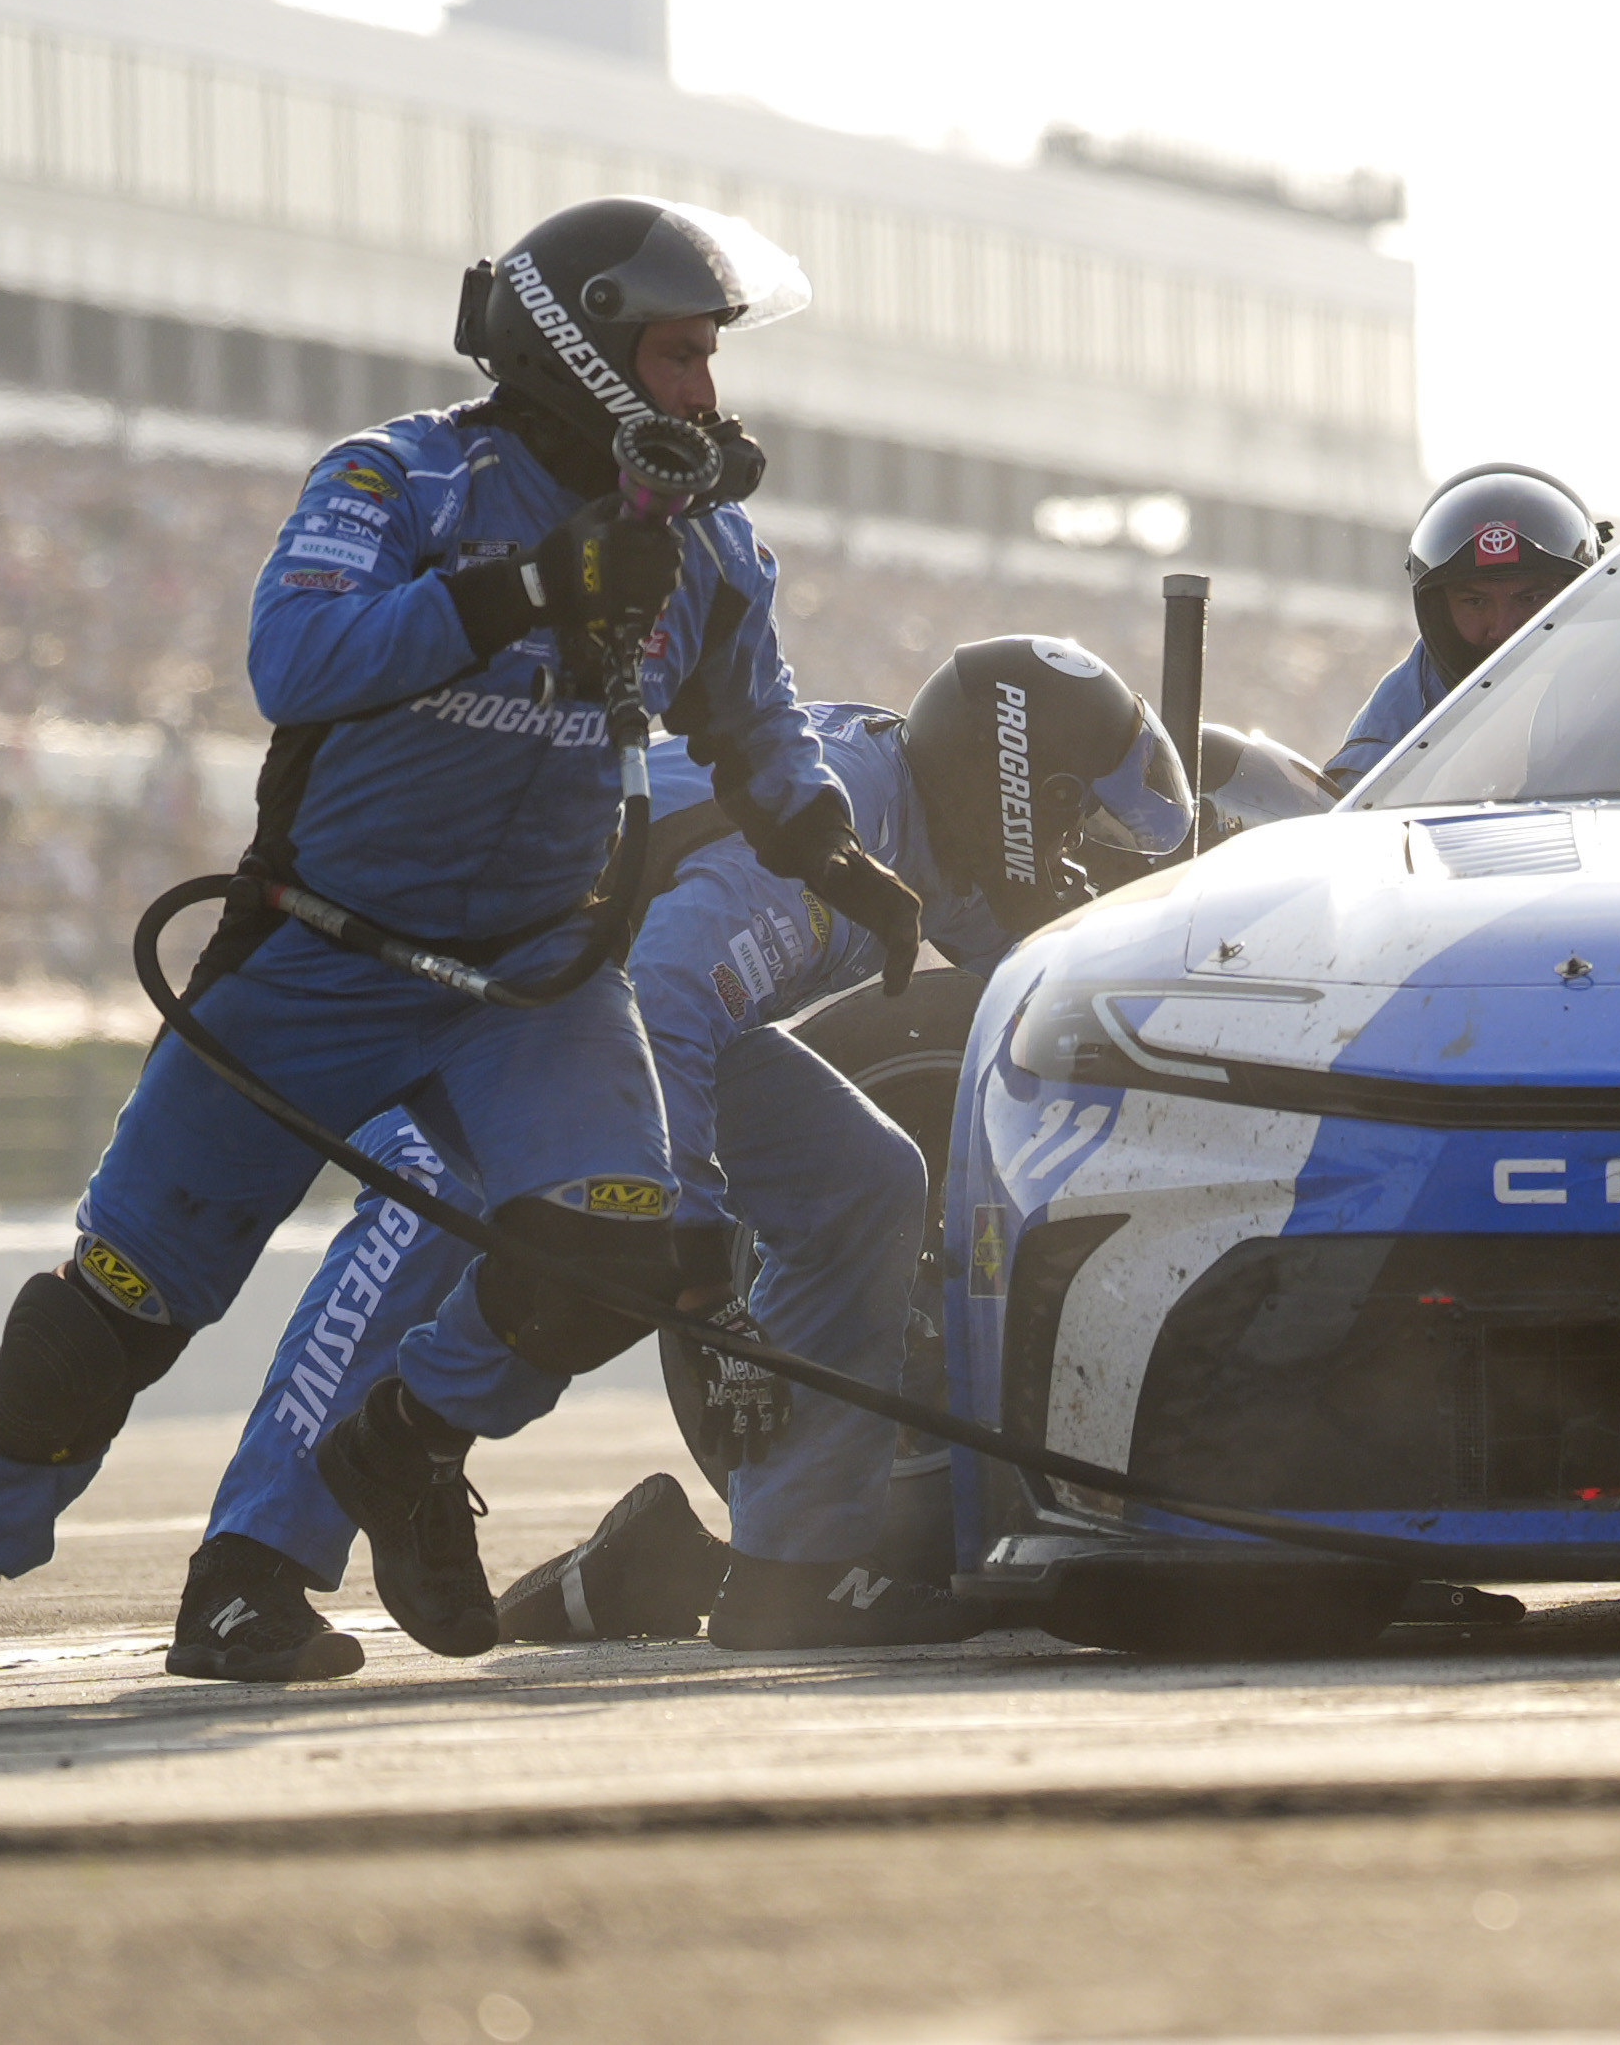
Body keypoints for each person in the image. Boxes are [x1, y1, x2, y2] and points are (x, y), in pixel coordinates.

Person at [0, 199, 927, 1713]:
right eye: (676, 357)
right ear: (575, 349)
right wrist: (520, 592)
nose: (706, 396)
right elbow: (294, 661)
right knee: (119, 1305)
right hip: (318, 964)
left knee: (618, 1248)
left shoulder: (706, 545)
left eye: (710, 360)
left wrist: (825, 843)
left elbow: (755, 721)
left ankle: (403, 1440)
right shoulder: (399, 477)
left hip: (532, 985)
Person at [172, 636, 1194, 1675]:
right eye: (1070, 818)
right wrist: (713, 1295)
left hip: (613, 999)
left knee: (863, 1181)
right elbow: (665, 1010)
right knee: (452, 1198)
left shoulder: (927, 814)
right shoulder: (818, 849)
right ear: (1014, 788)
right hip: (470, 992)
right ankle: (249, 1566)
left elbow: (1048, 957)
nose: (1076, 849)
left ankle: (792, 1569)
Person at [1320, 464, 1601, 787]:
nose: (1504, 628)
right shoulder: (1383, 755)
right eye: (1476, 603)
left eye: (1530, 599)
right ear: (1439, 610)